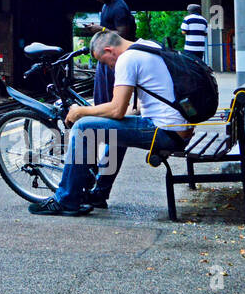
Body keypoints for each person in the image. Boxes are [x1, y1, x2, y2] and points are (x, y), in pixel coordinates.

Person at [30, 30, 191, 215]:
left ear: (109, 50)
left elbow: (117, 109)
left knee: (83, 127)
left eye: (105, 62)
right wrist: (98, 116)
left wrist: (81, 112)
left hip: (163, 132)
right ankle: (99, 193)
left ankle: (66, 200)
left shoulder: (127, 59)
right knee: (112, 128)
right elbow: (132, 109)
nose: (110, 68)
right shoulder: (148, 46)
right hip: (175, 128)